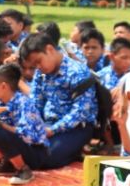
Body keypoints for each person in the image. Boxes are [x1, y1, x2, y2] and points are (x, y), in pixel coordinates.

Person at [17, 32, 98, 168]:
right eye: (34, 65)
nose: (38, 67)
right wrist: (32, 124)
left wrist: (52, 130)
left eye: (38, 61)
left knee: (46, 158)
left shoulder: (77, 72)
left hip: (76, 127)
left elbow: (79, 113)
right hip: (47, 124)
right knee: (17, 145)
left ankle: (73, 151)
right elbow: (35, 102)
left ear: (49, 49)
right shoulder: (41, 73)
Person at [0, 62, 50, 184]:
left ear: (3, 86)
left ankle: (24, 170)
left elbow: (28, 134)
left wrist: (0, 124)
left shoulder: (24, 103)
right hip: (20, 147)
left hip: (35, 152)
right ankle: (7, 163)